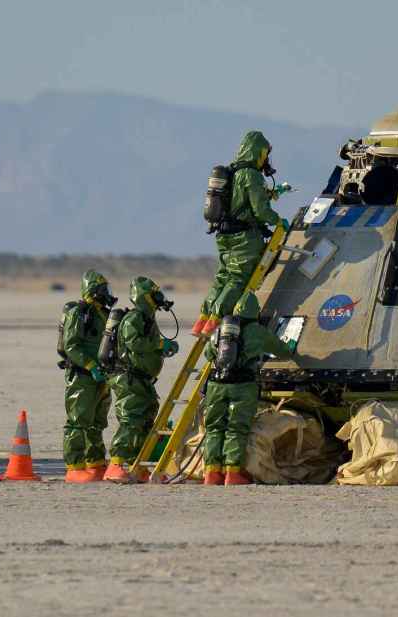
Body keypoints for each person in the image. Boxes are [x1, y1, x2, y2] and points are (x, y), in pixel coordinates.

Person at [192, 130, 289, 338]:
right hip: (244, 239)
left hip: (224, 236)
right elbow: (260, 211)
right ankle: (214, 321)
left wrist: (272, 193)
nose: (266, 159)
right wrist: (279, 222)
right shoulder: (251, 175)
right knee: (238, 279)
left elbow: (241, 203)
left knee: (222, 278)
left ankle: (202, 320)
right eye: (265, 154)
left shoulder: (233, 173)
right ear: (258, 152)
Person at [201, 291, 294, 485]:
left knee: (214, 428)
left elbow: (208, 354)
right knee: (236, 428)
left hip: (216, 385)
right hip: (242, 386)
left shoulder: (221, 328)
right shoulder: (257, 331)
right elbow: (283, 351)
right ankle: (232, 474)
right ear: (255, 311)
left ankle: (211, 473)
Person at [103, 277, 179, 483]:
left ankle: (138, 465)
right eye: (154, 294)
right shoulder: (134, 318)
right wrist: (159, 345)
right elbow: (134, 342)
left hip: (142, 379)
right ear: (144, 297)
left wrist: (161, 349)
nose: (158, 298)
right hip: (129, 378)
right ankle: (116, 464)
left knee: (146, 420)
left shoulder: (146, 319)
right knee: (132, 418)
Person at [60, 270, 116, 483]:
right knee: (78, 420)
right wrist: (91, 366)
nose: (107, 293)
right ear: (93, 290)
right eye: (103, 289)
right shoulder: (79, 313)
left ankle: (95, 463)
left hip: (102, 377)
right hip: (83, 377)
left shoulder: (103, 314)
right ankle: (74, 467)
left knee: (97, 422)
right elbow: (71, 345)